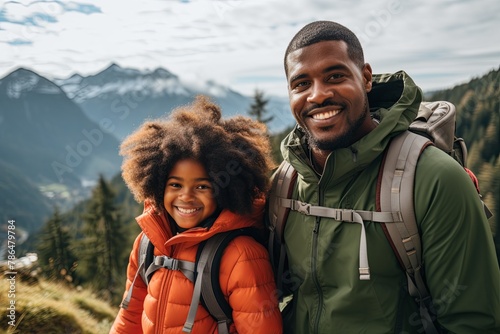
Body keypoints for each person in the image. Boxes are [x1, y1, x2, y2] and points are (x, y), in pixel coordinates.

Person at [274, 20, 500, 333]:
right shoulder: (284, 184)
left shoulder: (433, 179)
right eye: (301, 84)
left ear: (365, 78)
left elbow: (473, 322)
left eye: (335, 76)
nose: (318, 95)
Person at [110, 95, 283, 334]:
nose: (186, 197)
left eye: (202, 186)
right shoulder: (146, 244)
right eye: (175, 185)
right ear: (157, 187)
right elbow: (129, 316)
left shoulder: (241, 256)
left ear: (224, 190)